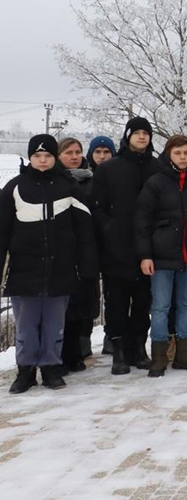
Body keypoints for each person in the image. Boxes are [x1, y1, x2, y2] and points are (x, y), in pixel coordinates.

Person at [1, 135, 97, 393]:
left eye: (47, 156)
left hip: (61, 269)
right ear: (30, 158)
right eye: (37, 156)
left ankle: (51, 367)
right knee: (27, 326)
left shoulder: (69, 187)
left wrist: (88, 268)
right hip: (24, 272)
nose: (42, 161)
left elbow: (85, 232)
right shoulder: (14, 188)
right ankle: (26, 370)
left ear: (54, 158)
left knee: (55, 324)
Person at [135, 135, 187, 377]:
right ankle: (159, 356)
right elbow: (142, 222)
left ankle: (184, 354)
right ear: (169, 154)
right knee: (160, 307)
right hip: (161, 258)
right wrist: (145, 255)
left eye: (186, 153)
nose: (183, 157)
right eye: (178, 153)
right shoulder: (155, 183)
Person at [93, 117, 162, 374]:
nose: (142, 137)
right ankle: (119, 351)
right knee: (117, 303)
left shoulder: (157, 167)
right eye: (137, 133)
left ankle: (138, 348)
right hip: (116, 248)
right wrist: (109, 230)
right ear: (128, 136)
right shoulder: (109, 168)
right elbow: (97, 208)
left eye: (146, 133)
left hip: (149, 249)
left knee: (143, 301)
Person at [56, 138, 101, 373]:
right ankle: (60, 356)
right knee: (61, 308)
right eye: (68, 152)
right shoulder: (53, 181)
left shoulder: (91, 180)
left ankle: (76, 353)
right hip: (60, 251)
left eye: (77, 152)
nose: (74, 156)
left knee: (81, 305)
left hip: (86, 249)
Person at [85, 135, 116, 356]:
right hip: (87, 243)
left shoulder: (117, 176)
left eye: (106, 152)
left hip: (111, 243)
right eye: (98, 152)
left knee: (113, 293)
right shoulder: (84, 179)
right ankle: (81, 338)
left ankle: (111, 335)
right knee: (88, 291)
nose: (102, 156)